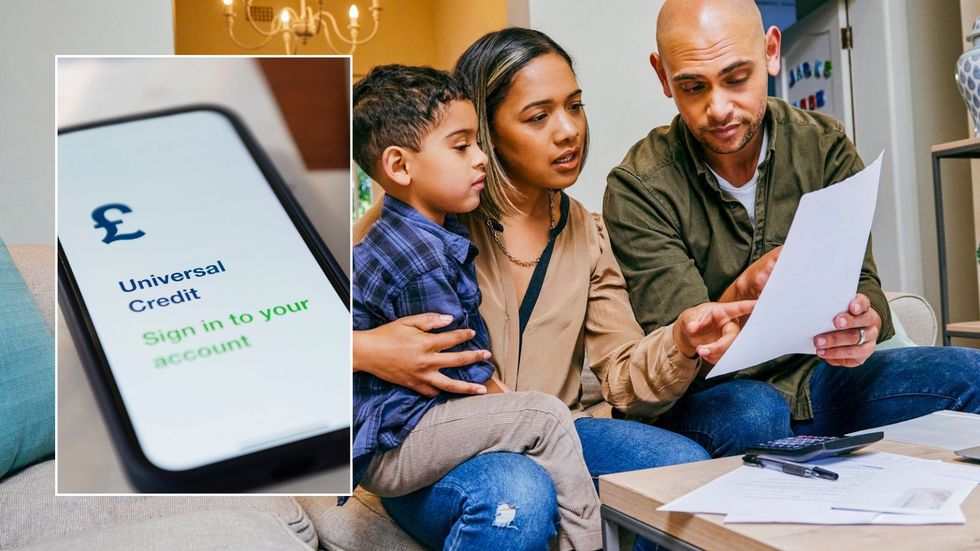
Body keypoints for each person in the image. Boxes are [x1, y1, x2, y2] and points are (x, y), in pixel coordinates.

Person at [352, 28, 756, 551]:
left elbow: (622, 373)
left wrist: (680, 341)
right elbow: (302, 330)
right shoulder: (414, 224)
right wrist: (364, 350)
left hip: (557, 430)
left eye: (575, 106)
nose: (569, 131)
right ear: (487, 130)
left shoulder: (587, 231)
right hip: (443, 445)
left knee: (681, 473)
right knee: (519, 492)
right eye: (538, 116)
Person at [603, 0, 980, 458]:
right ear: (663, 77)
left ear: (771, 51)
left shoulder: (824, 147)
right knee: (755, 411)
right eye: (692, 87)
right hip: (717, 397)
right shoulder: (640, 186)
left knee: (970, 373)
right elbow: (680, 353)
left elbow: (863, 282)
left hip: (819, 379)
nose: (718, 108)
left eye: (737, 78)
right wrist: (744, 287)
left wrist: (865, 322)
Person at [350, 64, 603, 551]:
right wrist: (500, 398)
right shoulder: (415, 258)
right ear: (400, 167)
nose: (481, 159)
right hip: (400, 442)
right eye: (462, 146)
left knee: (537, 420)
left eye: (478, 143)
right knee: (544, 418)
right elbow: (456, 364)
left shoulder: (432, 231)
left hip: (412, 428)